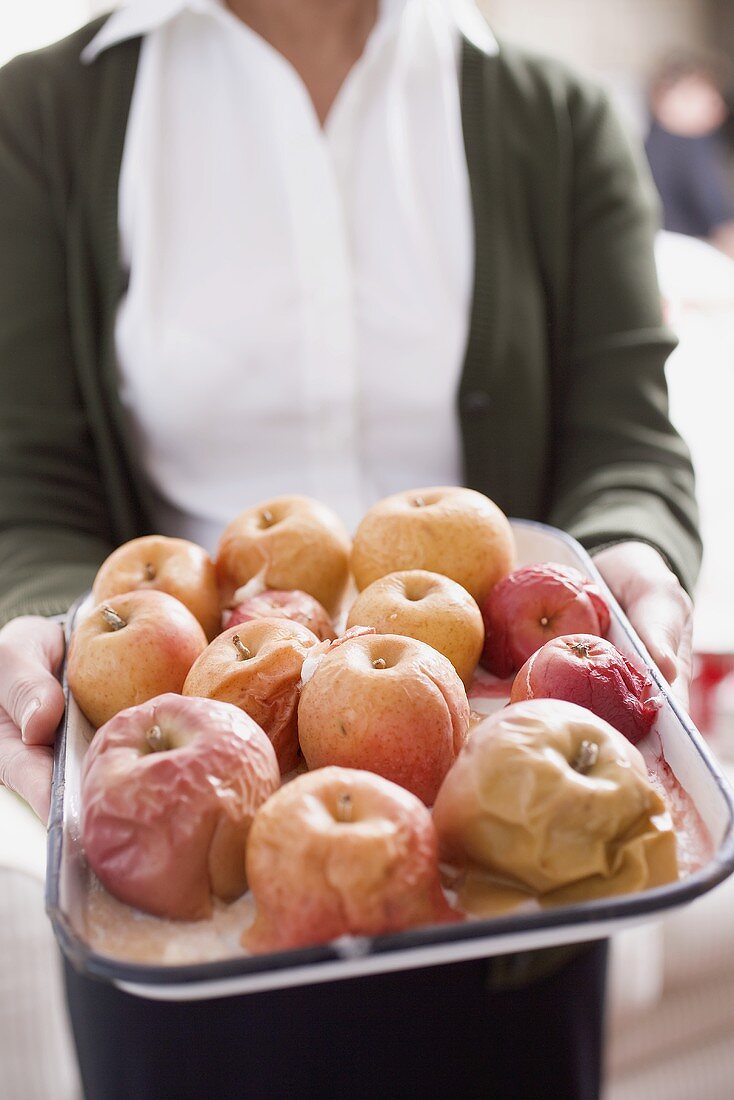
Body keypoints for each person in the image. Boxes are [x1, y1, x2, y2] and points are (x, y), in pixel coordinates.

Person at [0, 1, 698, 1098]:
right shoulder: (41, 114)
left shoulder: (551, 115)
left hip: (509, 830)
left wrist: (624, 555)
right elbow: (24, 471)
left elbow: (624, 435)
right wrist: (54, 625)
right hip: (186, 846)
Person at [645, 51, 734, 260]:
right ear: (667, 96)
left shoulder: (646, 145)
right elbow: (723, 226)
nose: (716, 105)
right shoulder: (689, 146)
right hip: (691, 261)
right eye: (702, 94)